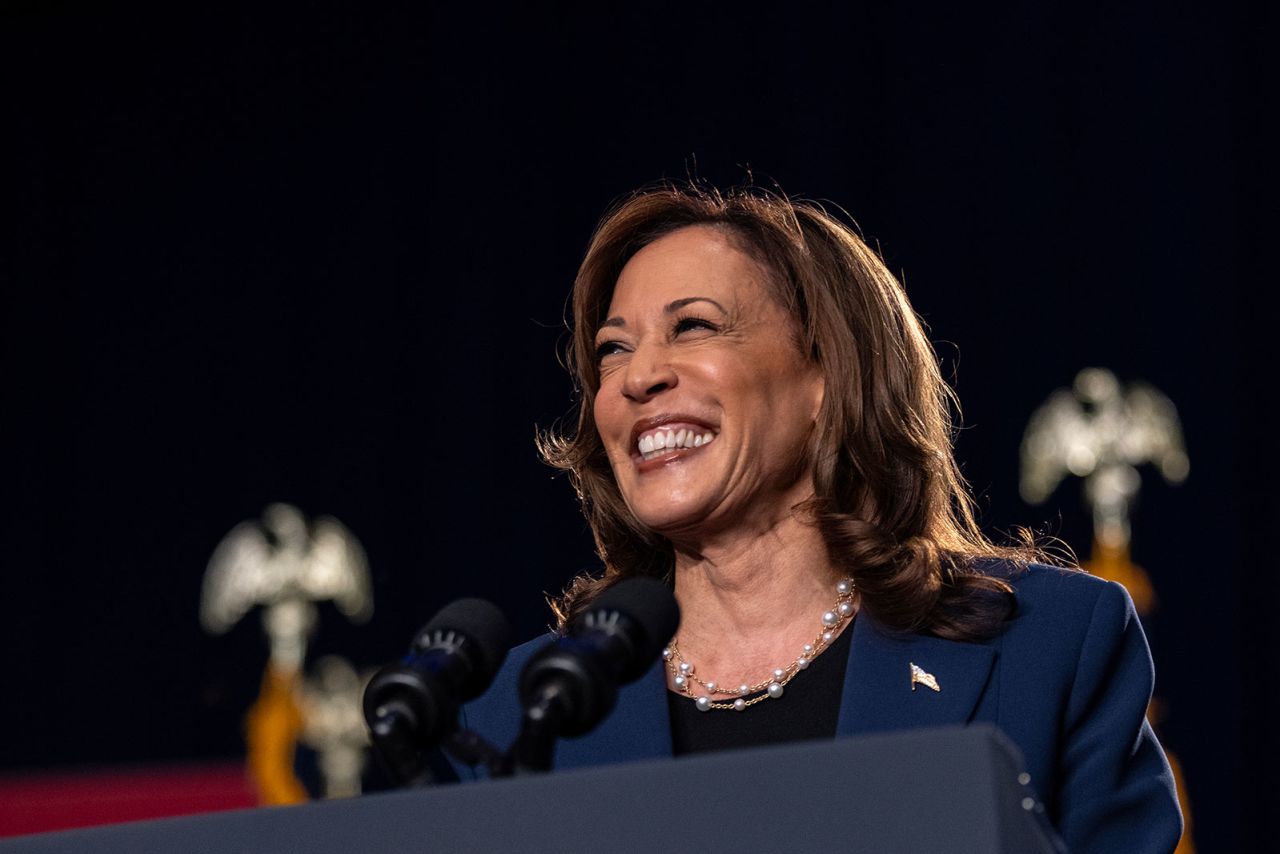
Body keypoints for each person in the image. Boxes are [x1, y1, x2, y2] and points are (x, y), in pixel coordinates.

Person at [452, 182, 1183, 852]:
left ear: (827, 376)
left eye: (695, 327)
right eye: (613, 351)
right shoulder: (509, 716)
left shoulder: (1049, 649)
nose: (638, 377)